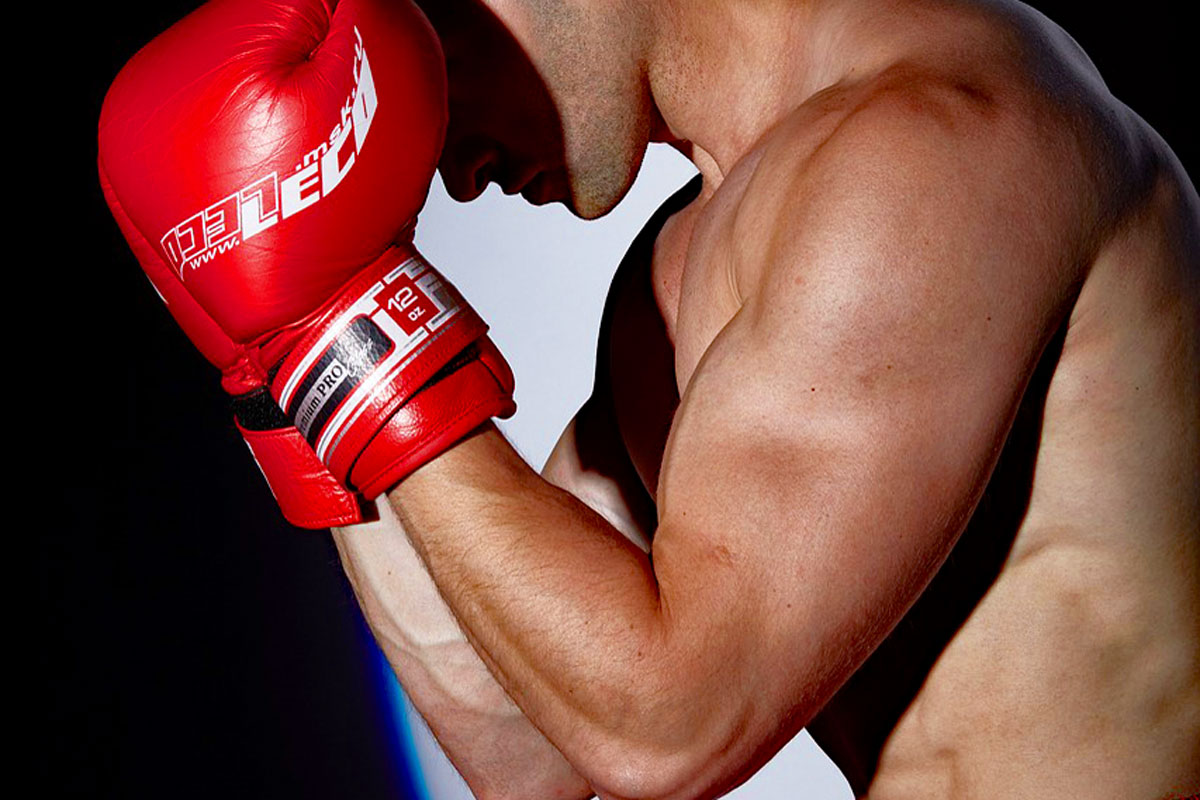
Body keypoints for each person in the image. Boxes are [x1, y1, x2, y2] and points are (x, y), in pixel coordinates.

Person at [100, 0, 1198, 797]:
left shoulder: (941, 149)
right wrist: (287, 347)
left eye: (431, 31)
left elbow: (672, 727)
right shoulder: (667, 281)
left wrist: (353, 330)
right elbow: (528, 743)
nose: (430, 153)